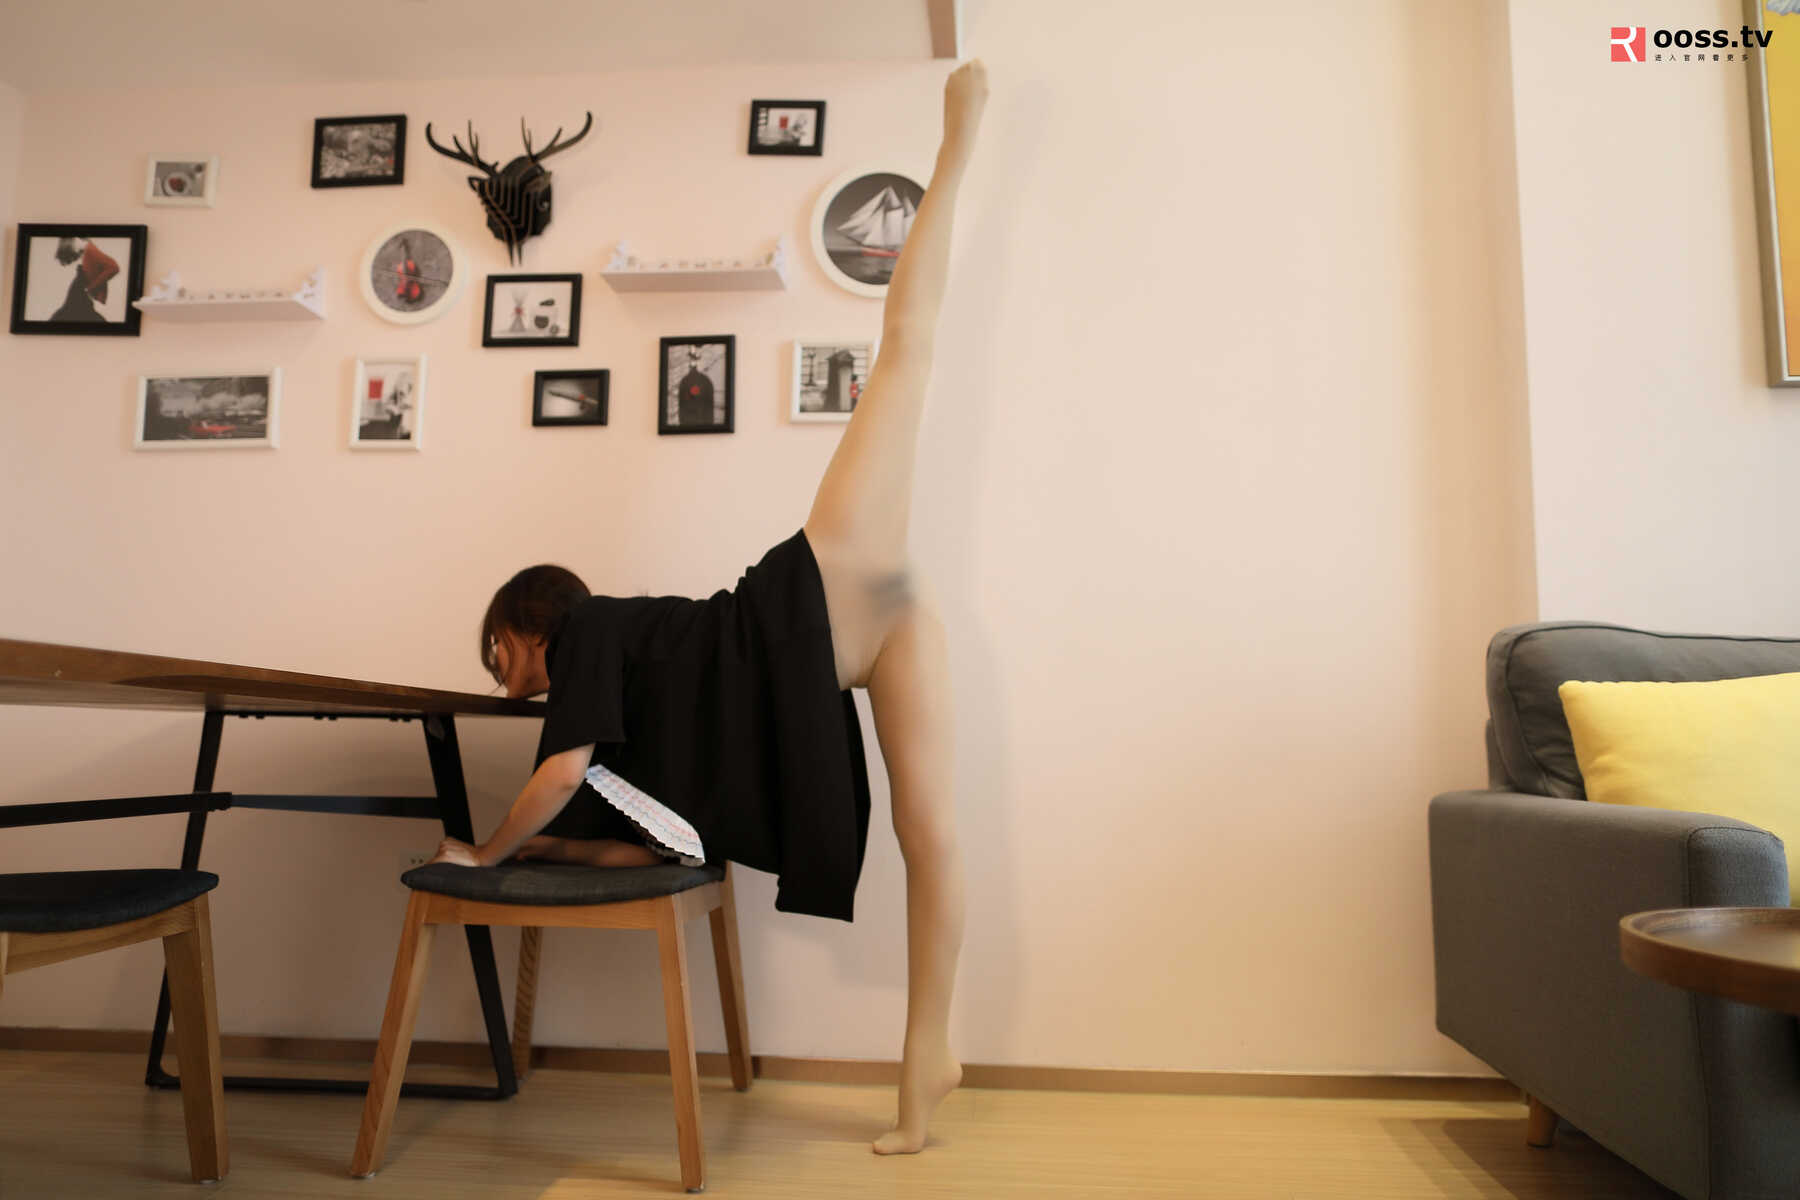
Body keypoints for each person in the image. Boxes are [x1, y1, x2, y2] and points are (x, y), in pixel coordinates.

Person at [434, 59, 988, 1156]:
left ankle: (956, 143)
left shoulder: (590, 634)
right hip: (863, 623)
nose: (508, 682)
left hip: (815, 596)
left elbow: (557, 775)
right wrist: (550, 858)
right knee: (932, 836)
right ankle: (928, 1053)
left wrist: (488, 854)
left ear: (529, 626)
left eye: (500, 656)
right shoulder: (625, 696)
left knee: (905, 356)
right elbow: (643, 844)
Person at [51, 237, 119, 323]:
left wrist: (91, 287)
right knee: (72, 313)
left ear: (78, 239)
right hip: (79, 287)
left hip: (81, 288)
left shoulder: (91, 250)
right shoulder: (87, 250)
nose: (73, 247)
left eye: (71, 242)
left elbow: (114, 267)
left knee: (72, 313)